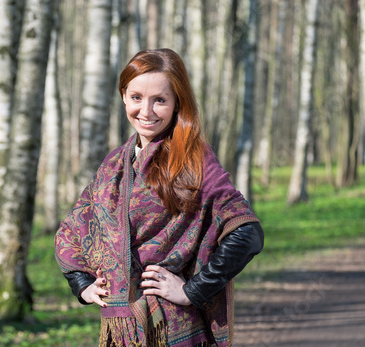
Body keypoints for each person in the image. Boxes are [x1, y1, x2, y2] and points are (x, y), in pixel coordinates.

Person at [55, 48, 264, 347]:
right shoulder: (114, 164)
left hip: (174, 329)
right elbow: (74, 229)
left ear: (178, 103)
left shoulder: (193, 159)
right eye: (137, 97)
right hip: (120, 332)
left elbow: (247, 232)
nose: (146, 111)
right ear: (123, 96)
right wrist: (82, 285)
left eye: (160, 100)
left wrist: (193, 290)